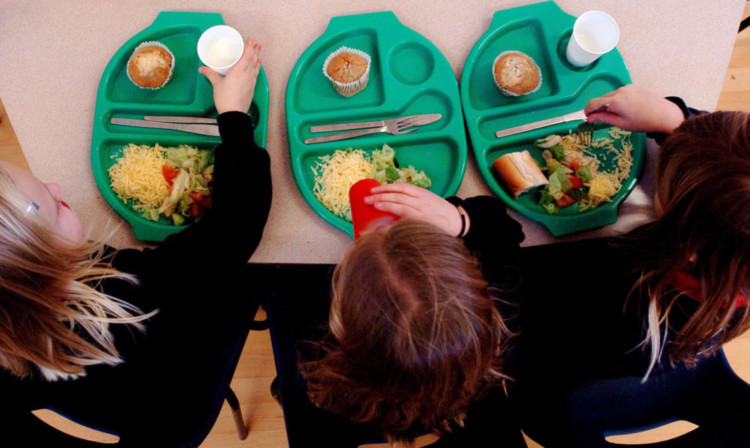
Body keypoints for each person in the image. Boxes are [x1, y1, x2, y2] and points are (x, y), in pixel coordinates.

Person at [0, 38, 271, 444]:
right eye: (52, 201)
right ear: (44, 258)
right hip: (180, 401)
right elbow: (237, 226)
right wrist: (233, 115)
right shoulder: (130, 292)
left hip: (128, 412)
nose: (56, 186)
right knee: (282, 277)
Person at [298, 184, 528, 447]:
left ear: (340, 323)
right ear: (478, 288)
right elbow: (508, 235)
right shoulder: (501, 317)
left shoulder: (322, 364)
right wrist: (459, 219)